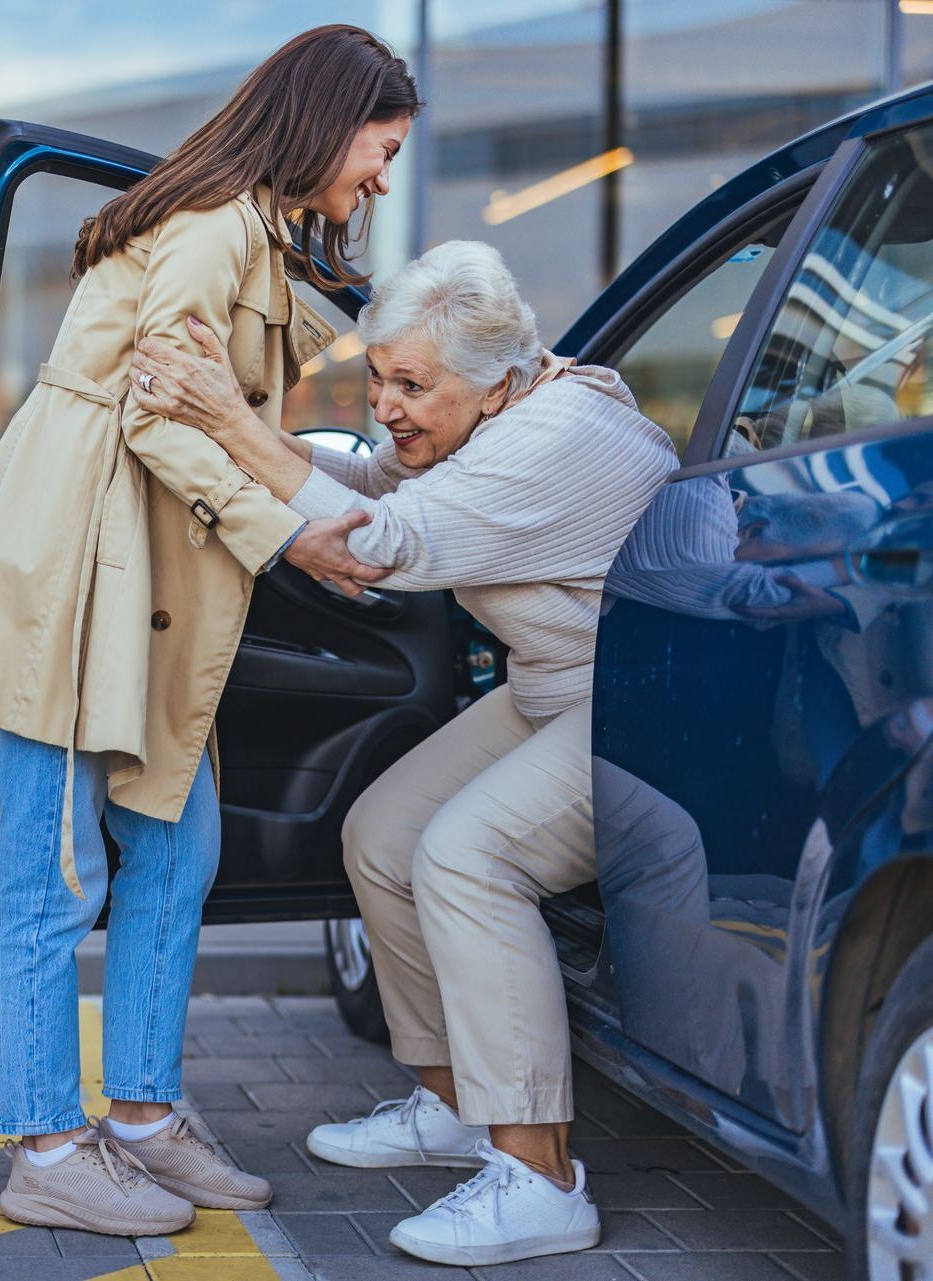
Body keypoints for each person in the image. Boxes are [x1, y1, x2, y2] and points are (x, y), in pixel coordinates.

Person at [0, 25, 418, 1237]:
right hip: (80, 577)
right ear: (330, 121)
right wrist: (291, 535)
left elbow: (211, 418)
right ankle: (44, 1144)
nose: (380, 178)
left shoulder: (250, 230)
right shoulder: (213, 226)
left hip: (140, 586)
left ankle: (138, 1114)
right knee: (55, 873)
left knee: (177, 850)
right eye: (380, 149)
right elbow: (161, 415)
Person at [129, 239, 679, 1266]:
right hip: (554, 689)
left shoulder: (555, 436)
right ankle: (454, 1104)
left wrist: (229, 423)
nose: (387, 402)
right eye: (378, 377)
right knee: (382, 834)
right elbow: (368, 474)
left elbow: (381, 540)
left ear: (498, 377)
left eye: (412, 384)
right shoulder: (487, 412)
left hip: (638, 710)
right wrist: (254, 435)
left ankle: (540, 1178)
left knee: (467, 855)